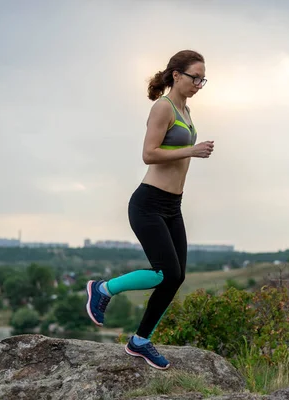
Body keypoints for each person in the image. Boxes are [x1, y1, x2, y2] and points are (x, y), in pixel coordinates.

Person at [85, 49, 214, 370]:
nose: (199, 83)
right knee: (162, 272)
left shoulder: (186, 109)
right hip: (148, 203)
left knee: (177, 276)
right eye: (194, 77)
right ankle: (102, 289)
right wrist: (192, 150)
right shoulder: (163, 107)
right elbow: (149, 154)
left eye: (203, 79)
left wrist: (191, 151)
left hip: (173, 205)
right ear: (176, 75)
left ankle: (140, 341)